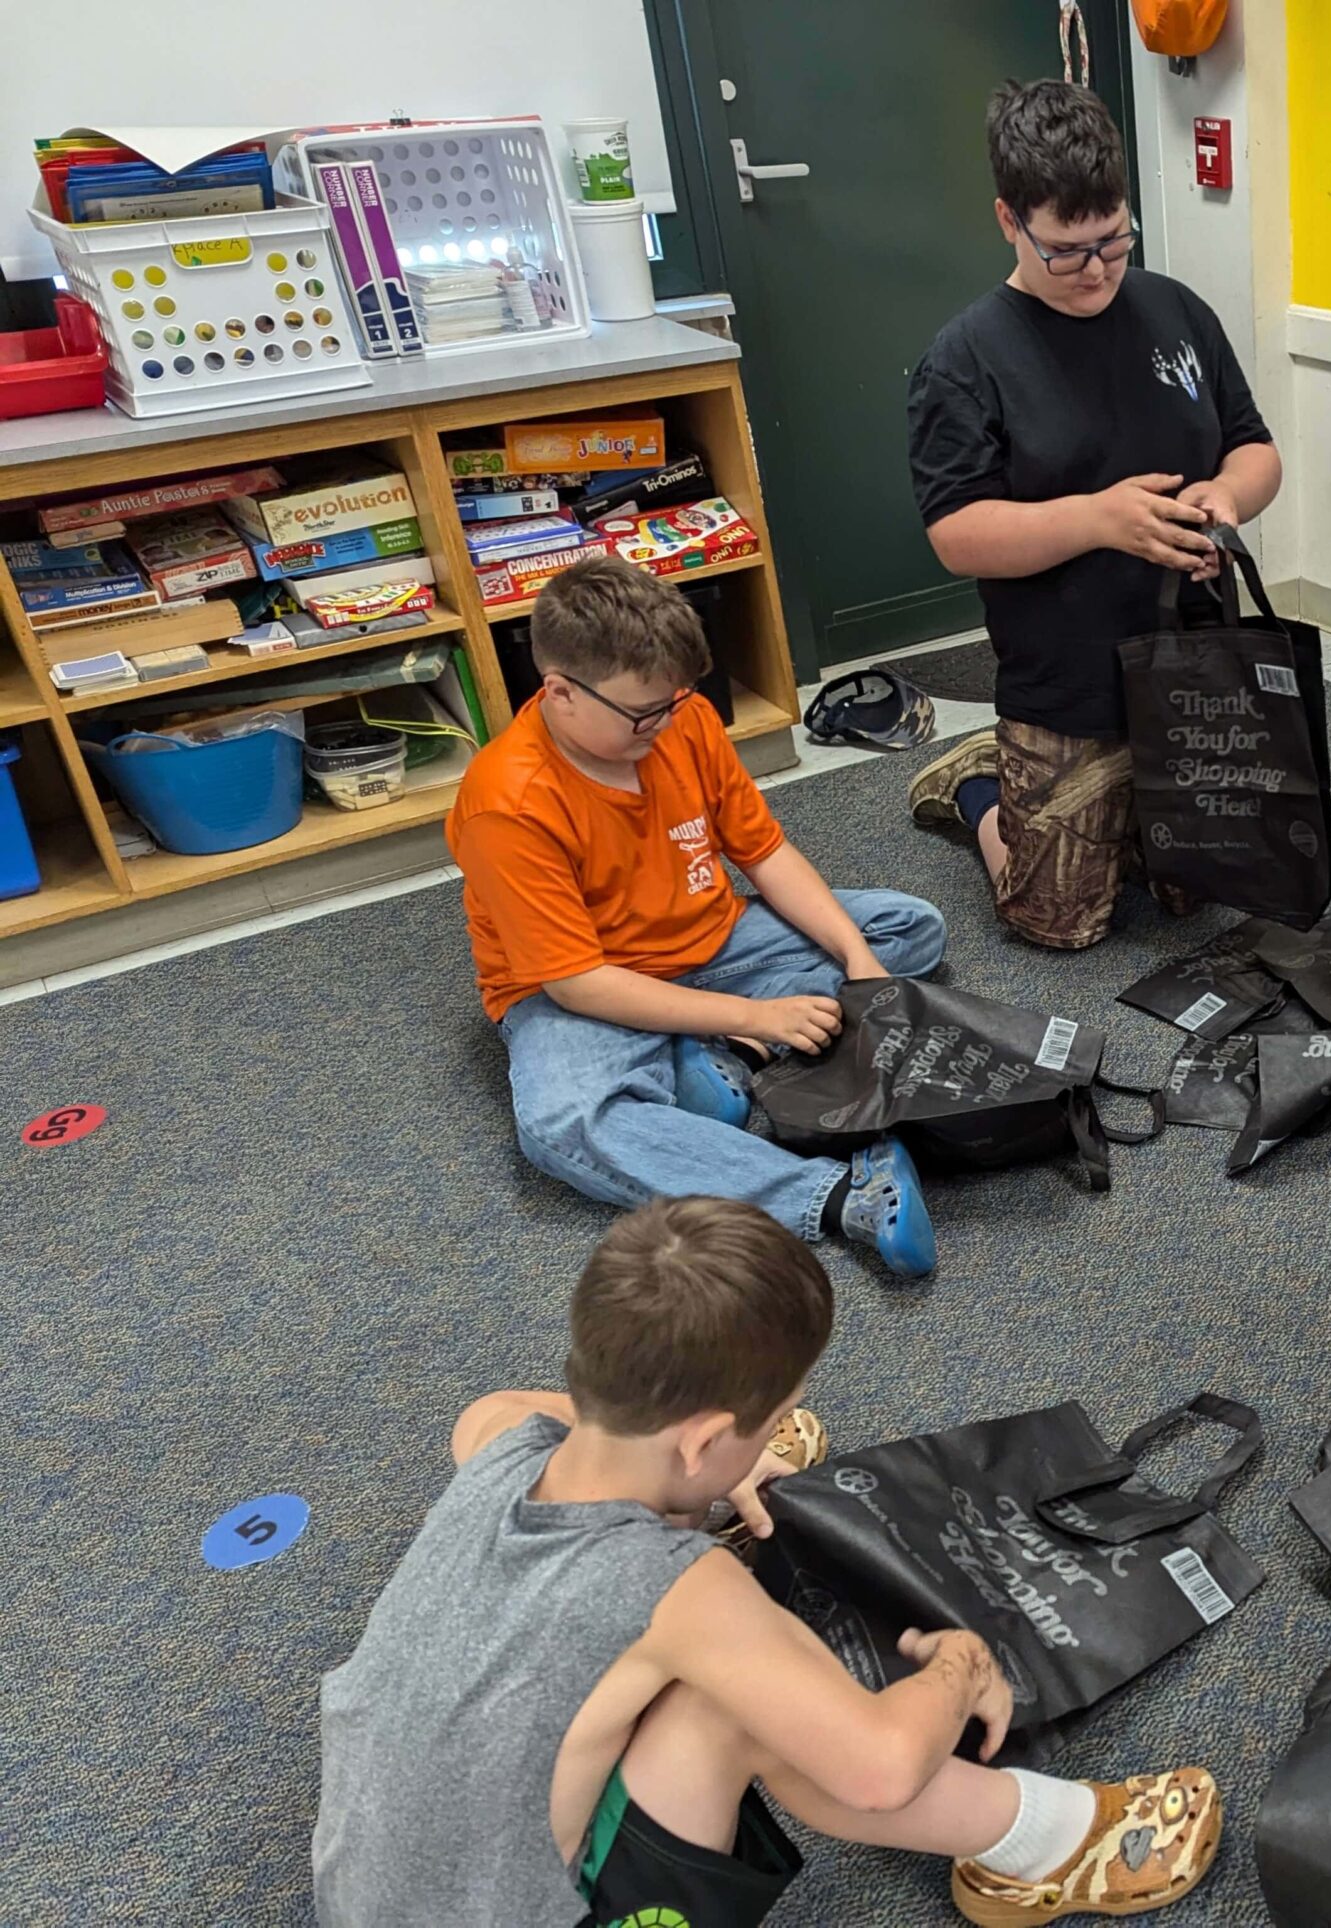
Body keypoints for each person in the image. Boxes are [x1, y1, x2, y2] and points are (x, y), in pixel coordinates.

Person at [312, 1197, 1225, 1927]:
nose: (771, 1440)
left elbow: (495, 1406)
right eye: (767, 1420)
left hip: (362, 1900)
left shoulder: (501, 1446)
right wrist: (959, 1668)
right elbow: (877, 1768)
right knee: (736, 1704)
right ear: (703, 1436)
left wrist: (714, 1476)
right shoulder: (681, 1591)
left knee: (661, 1669)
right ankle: (1045, 1848)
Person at [447, 558, 943, 1279]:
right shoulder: (508, 802)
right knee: (565, 1124)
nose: (666, 723)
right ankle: (838, 1194)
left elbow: (766, 853)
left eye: (675, 702)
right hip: (581, 989)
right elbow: (579, 984)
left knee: (909, 927)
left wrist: (858, 962)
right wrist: (759, 1014)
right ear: (559, 693)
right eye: (644, 714)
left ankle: (715, 1055)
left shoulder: (685, 719)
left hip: (711, 944)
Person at [903, 76, 1283, 951]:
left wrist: (1226, 497)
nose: (1097, 270)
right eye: (1066, 251)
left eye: (1113, 241)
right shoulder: (964, 360)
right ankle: (978, 787)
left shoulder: (1176, 310)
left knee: (1205, 891)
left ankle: (1116, 821)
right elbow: (956, 535)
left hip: (1190, 665)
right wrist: (1100, 521)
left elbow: (1255, 450)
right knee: (1060, 925)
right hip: (1066, 685)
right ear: (1009, 221)